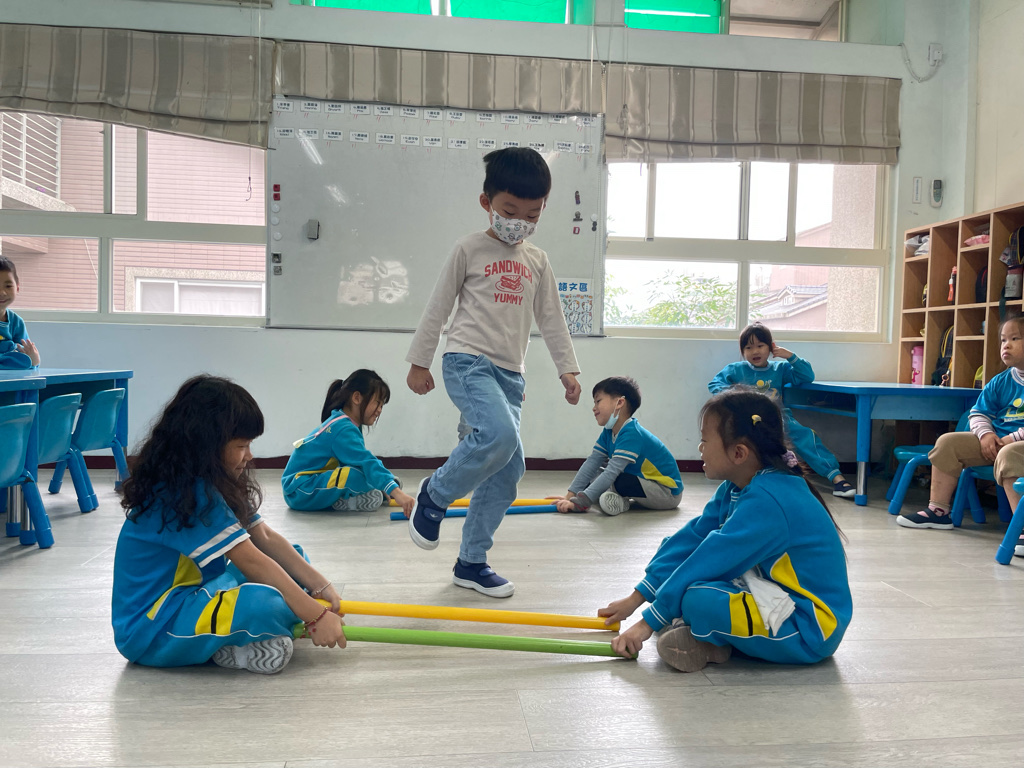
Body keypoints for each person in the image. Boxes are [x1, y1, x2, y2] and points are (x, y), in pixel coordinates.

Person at [405, 146, 582, 598]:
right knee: (499, 436)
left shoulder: (537, 260)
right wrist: (420, 361)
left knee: (508, 469)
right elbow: (438, 306)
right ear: (487, 202)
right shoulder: (469, 248)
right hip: (467, 361)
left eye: (532, 214)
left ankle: (471, 562)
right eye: (510, 211)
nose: (519, 222)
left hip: (510, 376)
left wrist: (567, 369)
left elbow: (552, 318)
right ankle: (434, 495)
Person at [599, 388, 851, 672]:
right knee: (683, 570)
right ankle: (704, 633)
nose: (700, 448)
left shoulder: (769, 500)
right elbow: (692, 540)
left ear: (738, 453)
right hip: (773, 595)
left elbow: (710, 558)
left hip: (808, 628)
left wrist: (646, 623)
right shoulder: (737, 486)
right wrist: (637, 598)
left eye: (705, 440)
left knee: (697, 599)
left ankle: (709, 641)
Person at [112, 375, 346, 674]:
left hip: (199, 593)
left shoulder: (210, 483)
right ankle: (232, 646)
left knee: (291, 560)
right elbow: (250, 560)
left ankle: (242, 636)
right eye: (241, 445)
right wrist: (316, 615)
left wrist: (320, 586)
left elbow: (265, 537)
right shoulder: (180, 494)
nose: (249, 455)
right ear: (206, 446)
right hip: (153, 630)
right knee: (266, 603)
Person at [897, 313, 1024, 557]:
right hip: (996, 442)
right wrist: (986, 435)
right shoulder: (1000, 381)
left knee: (1009, 454)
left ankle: (1021, 528)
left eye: (1015, 339)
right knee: (948, 443)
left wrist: (1012, 439)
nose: (1006, 345)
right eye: (1003, 340)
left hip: (1014, 447)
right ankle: (939, 512)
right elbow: (979, 413)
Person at [709, 322, 855, 498]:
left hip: (778, 417)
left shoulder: (780, 369)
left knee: (805, 436)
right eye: (748, 347)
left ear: (771, 347)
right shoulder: (736, 369)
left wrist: (791, 357)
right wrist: (735, 396)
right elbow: (715, 384)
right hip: (747, 418)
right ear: (743, 351)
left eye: (760, 346)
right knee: (738, 438)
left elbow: (806, 376)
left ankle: (837, 478)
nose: (755, 351)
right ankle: (741, 482)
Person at [283, 369, 415, 514]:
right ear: (357, 398)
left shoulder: (344, 423)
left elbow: (359, 461)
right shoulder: (343, 429)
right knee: (355, 475)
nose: (379, 410)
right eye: (377, 403)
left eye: (382, 405)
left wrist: (386, 485)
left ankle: (377, 487)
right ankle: (347, 501)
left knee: (364, 472)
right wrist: (397, 493)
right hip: (299, 491)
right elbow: (366, 461)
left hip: (306, 486)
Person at [551, 376, 682, 515]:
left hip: (666, 493)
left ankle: (606, 497)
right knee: (594, 472)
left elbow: (612, 472)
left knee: (618, 479)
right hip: (642, 485)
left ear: (619, 402)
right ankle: (614, 499)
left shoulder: (632, 433)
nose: (594, 408)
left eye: (598, 401)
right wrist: (570, 495)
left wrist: (580, 504)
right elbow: (592, 462)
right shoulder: (608, 432)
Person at [0, 257, 40, 369]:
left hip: (12, 377)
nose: (2, 292)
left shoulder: (16, 323)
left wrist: (34, 361)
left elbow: (27, 360)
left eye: (8, 286)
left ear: (17, 288)